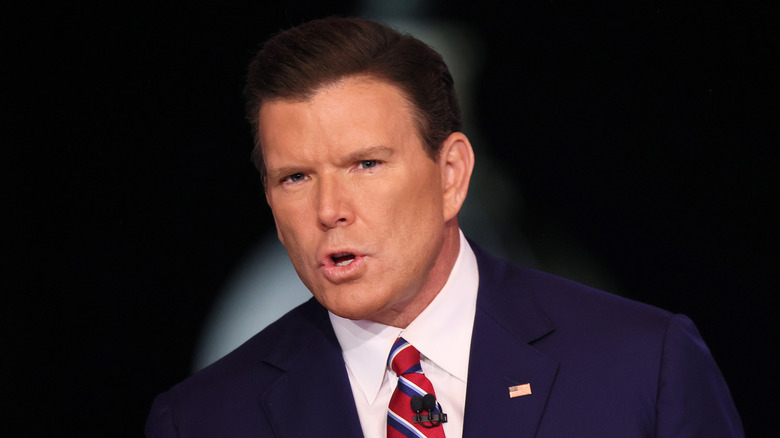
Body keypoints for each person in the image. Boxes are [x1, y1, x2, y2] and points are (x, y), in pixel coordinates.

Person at [145, 17, 743, 437]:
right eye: (296, 178)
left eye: (366, 164)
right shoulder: (202, 420)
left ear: (451, 173)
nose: (329, 209)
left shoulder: (643, 366)